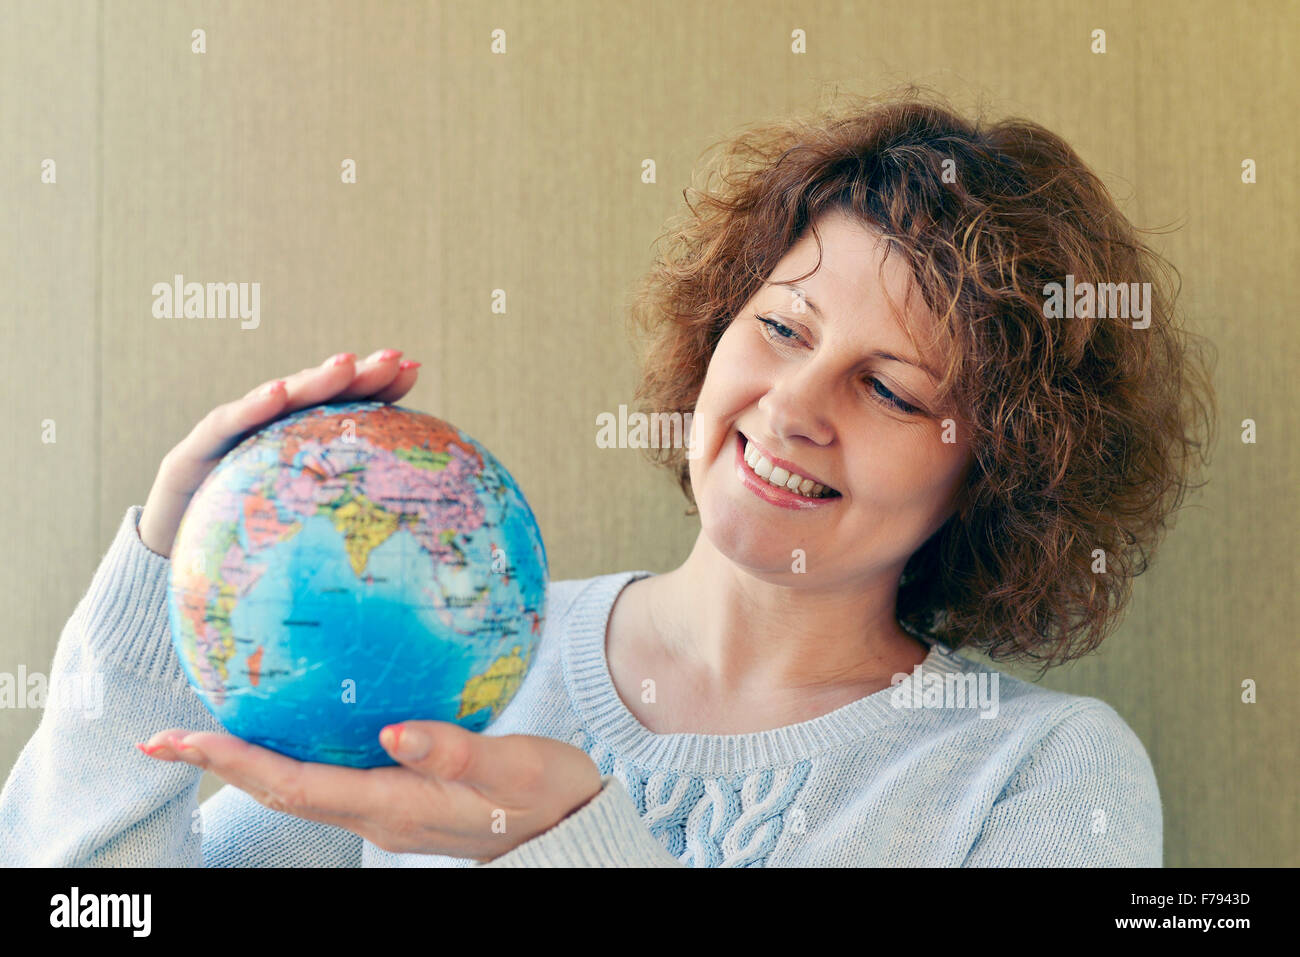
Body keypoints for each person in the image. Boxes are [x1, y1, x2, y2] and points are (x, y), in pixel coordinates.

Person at [0, 87, 1215, 867]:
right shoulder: (437, 651)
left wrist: (567, 843)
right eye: (781, 330)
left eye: (890, 389)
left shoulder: (1041, 775)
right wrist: (163, 573)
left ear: (1006, 466)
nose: (791, 407)